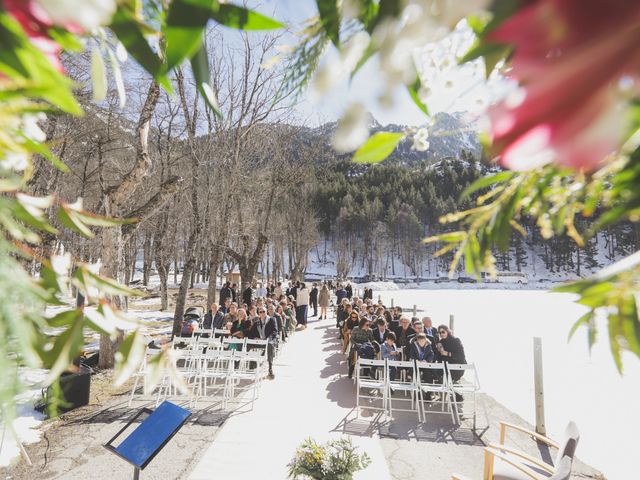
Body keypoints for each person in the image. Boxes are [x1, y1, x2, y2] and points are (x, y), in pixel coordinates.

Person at [249, 307, 278, 379]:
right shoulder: (257, 322)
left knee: (270, 344)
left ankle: (270, 368)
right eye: (260, 312)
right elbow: (252, 333)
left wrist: (267, 339)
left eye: (263, 311)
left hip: (269, 340)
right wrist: (255, 337)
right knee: (248, 343)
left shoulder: (272, 319)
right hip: (260, 341)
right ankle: (252, 363)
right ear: (258, 313)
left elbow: (275, 331)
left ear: (266, 312)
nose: (262, 313)